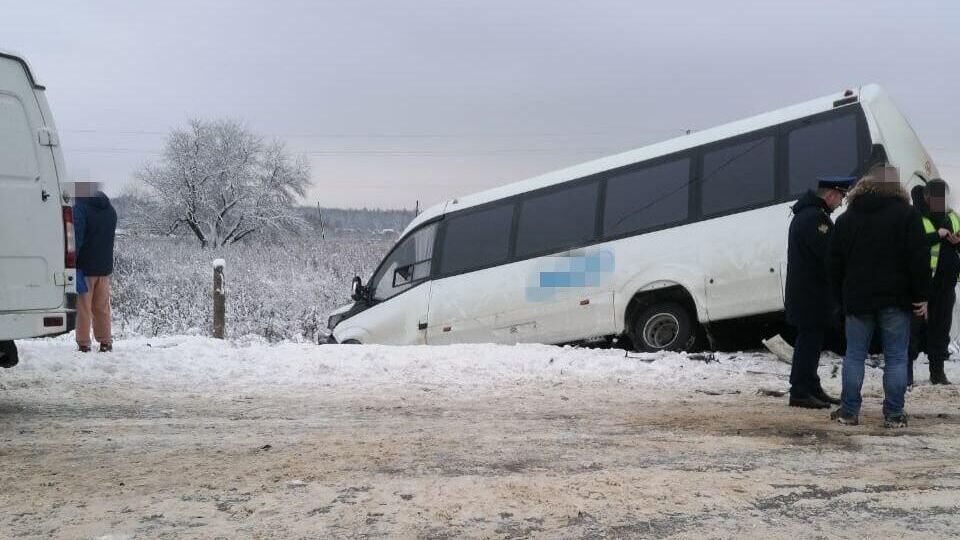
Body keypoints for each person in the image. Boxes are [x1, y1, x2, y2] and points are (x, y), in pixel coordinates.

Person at [827, 164, 930, 428]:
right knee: (896, 356)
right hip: (896, 299)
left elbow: (834, 264)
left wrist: (840, 299)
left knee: (854, 355)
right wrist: (922, 296)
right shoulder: (907, 215)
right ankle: (894, 414)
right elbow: (918, 259)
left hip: (857, 299)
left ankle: (849, 412)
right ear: (896, 186)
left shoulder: (846, 219)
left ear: (865, 184)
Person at [784, 177, 851, 408]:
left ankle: (810, 386)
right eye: (841, 197)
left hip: (808, 293)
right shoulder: (815, 218)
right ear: (830, 194)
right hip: (810, 294)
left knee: (812, 342)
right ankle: (801, 391)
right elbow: (828, 254)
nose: (841, 203)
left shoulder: (809, 214)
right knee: (808, 342)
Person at [908, 179, 959, 385]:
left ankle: (937, 371)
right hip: (920, 284)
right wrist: (936, 237)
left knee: (941, 329)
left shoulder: (953, 217)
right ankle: (906, 372)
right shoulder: (916, 217)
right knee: (913, 329)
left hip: (946, 285)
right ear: (927, 198)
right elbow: (912, 245)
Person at [73, 184, 118, 353]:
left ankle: (84, 343)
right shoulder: (110, 211)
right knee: (102, 307)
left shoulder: (81, 209)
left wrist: (71, 262)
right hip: (104, 267)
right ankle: (105, 342)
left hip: (84, 268)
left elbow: (76, 238)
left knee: (84, 307)